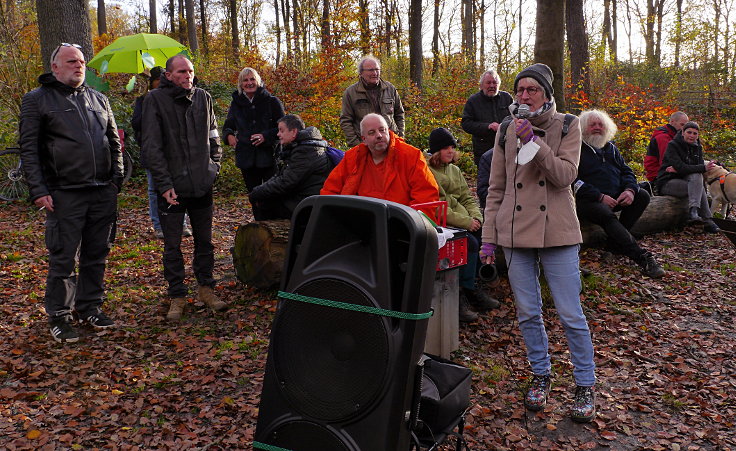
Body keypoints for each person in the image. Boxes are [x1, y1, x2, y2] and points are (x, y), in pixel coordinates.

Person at [480, 63, 596, 422]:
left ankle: (584, 382)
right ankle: (541, 375)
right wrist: (488, 241)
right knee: (528, 313)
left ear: (547, 94)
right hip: (515, 234)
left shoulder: (567, 125)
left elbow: (564, 177)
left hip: (557, 234)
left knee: (570, 314)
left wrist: (534, 141)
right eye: (521, 90)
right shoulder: (505, 132)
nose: (525, 95)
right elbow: (495, 189)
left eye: (532, 89)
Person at [19, 43, 122, 342]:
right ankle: (60, 316)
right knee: (63, 257)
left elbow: (114, 142)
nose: (79, 66)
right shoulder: (37, 100)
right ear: (55, 67)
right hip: (64, 193)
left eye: (81, 62)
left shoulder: (98, 99)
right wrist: (38, 189)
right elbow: (29, 148)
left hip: (102, 191)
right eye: (71, 61)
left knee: (97, 253)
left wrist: (115, 180)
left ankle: (90, 306)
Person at [141, 55, 227, 322]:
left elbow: (214, 134)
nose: (187, 75)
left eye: (190, 71)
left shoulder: (204, 97)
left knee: (205, 242)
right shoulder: (154, 100)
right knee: (172, 245)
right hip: (172, 189)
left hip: (202, 183)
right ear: (168, 75)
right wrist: (164, 184)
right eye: (181, 71)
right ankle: (176, 295)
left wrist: (214, 167)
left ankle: (206, 288)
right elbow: (151, 147)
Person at [574, 109, 665, 278]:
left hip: (614, 197)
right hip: (588, 201)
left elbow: (627, 172)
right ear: (583, 128)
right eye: (592, 124)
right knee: (606, 214)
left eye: (601, 124)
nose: (597, 127)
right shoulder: (576, 149)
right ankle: (643, 257)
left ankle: (614, 246)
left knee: (642, 195)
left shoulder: (611, 148)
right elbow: (572, 181)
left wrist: (630, 190)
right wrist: (599, 197)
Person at [426, 127, 500, 323]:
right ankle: (462, 292)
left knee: (483, 236)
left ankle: (475, 286)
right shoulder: (428, 171)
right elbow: (436, 207)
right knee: (470, 244)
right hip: (442, 223)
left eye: (452, 147)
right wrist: (467, 222)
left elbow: (467, 197)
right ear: (435, 151)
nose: (450, 151)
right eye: (445, 148)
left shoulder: (455, 170)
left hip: (464, 220)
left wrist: (477, 218)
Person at [321, 113, 438, 215]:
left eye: (382, 130)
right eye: (372, 133)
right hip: (359, 223)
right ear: (364, 139)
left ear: (389, 131)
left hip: (401, 225)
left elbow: (426, 197)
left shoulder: (411, 156)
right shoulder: (352, 158)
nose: (379, 135)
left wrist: (410, 225)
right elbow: (329, 191)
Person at [131, 67, 192, 239]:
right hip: (152, 153)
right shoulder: (143, 100)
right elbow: (136, 124)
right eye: (157, 80)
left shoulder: (173, 98)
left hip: (174, 153)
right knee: (153, 189)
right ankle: (158, 226)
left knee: (179, 187)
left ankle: (182, 223)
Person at [248, 114, 332, 220]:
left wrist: (256, 193)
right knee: (264, 199)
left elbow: (286, 182)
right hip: (303, 198)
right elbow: (280, 176)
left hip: (308, 203)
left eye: (281, 131)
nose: (278, 134)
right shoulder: (301, 147)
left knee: (265, 202)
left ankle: (266, 234)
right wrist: (258, 191)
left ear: (293, 132)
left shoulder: (306, 151)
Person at [222, 67, 285, 203]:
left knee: (272, 196)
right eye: (245, 80)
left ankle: (274, 224)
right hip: (246, 158)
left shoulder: (272, 101)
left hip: (270, 156)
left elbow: (283, 128)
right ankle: (258, 223)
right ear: (240, 84)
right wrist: (229, 136)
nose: (249, 83)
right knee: (254, 196)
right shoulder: (236, 104)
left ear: (258, 81)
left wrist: (265, 136)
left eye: (252, 79)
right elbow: (228, 126)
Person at [657, 121, 720, 234]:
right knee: (697, 181)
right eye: (689, 132)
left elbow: (692, 169)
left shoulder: (698, 147)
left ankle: (694, 212)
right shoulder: (673, 145)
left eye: (695, 133)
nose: (692, 135)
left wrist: (683, 169)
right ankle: (707, 220)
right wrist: (685, 168)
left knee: (696, 176)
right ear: (683, 133)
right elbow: (685, 167)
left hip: (688, 182)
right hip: (668, 182)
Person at [339, 56, 405, 148]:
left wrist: (400, 137)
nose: (375, 73)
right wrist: (356, 144)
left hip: (392, 142)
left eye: (377, 69)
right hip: (366, 145)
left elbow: (399, 114)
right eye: (370, 70)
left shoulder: (390, 89)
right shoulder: (351, 93)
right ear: (361, 73)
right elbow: (346, 121)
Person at [461, 69, 514, 165]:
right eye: (488, 83)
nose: (492, 86)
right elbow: (466, 124)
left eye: (495, 82)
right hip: (483, 151)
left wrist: (504, 127)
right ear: (481, 85)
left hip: (506, 148)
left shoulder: (507, 98)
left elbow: (515, 118)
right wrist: (487, 126)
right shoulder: (473, 101)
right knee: (486, 179)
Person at [644, 111, 689, 190]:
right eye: (682, 125)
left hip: (669, 173)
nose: (683, 129)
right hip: (660, 176)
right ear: (672, 122)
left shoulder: (676, 136)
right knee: (694, 185)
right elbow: (666, 161)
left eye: (685, 126)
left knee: (697, 178)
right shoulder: (663, 138)